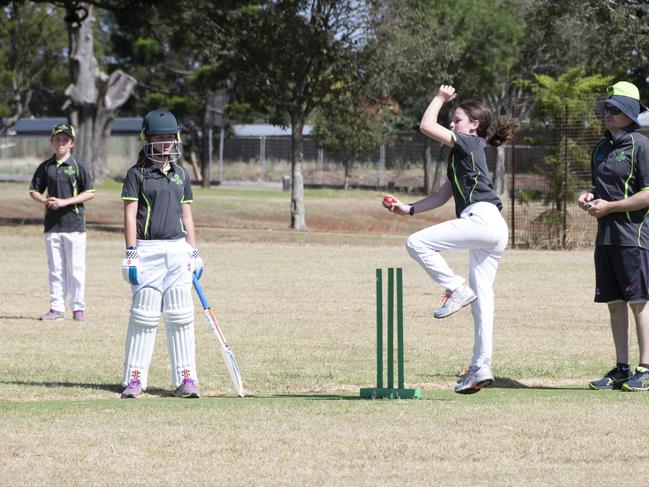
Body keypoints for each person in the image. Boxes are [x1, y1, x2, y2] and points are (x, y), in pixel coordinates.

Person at [383, 85, 515, 394]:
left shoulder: (469, 142)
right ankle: (481, 367)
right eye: (452, 120)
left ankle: (455, 288)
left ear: (473, 125)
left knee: (416, 244)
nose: (452, 125)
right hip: (493, 229)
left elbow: (426, 126)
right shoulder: (463, 154)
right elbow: (444, 195)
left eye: (456, 120)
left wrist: (440, 99)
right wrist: (409, 209)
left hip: (481, 220)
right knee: (483, 302)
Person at [119, 109, 204, 399]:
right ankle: (134, 379)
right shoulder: (136, 174)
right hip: (148, 249)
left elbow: (188, 217)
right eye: (160, 138)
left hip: (178, 250)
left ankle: (186, 378)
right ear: (147, 140)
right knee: (143, 316)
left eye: (170, 138)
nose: (167, 143)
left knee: (181, 316)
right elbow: (130, 217)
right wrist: (131, 253)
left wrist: (194, 252)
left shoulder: (181, 174)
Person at [578, 81, 649, 392]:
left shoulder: (641, 145)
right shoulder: (601, 147)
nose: (607, 114)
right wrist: (589, 198)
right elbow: (601, 190)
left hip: (633, 237)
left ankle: (645, 369)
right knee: (615, 302)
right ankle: (621, 369)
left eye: (614, 109)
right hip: (605, 237)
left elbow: (647, 194)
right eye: (606, 108)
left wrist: (612, 207)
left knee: (639, 302)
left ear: (629, 113)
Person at [29, 123, 95, 321]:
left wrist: (65, 202)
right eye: (57, 139)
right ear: (52, 141)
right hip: (52, 226)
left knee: (75, 269)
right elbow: (33, 191)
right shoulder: (46, 167)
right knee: (55, 269)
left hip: (74, 225)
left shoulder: (78, 166)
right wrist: (46, 201)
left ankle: (78, 308)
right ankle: (57, 308)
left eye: (65, 140)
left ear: (72, 143)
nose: (61, 143)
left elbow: (90, 192)